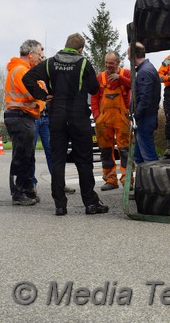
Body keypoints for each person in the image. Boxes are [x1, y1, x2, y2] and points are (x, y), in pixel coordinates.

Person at [23, 33, 108, 216]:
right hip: (79, 117)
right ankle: (90, 203)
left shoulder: (50, 62)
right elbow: (94, 88)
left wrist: (44, 95)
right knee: (84, 160)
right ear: (80, 49)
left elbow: (27, 79)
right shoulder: (84, 63)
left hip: (57, 117)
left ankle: (60, 205)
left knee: (58, 159)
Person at [3, 40, 44, 206]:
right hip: (20, 116)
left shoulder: (21, 69)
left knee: (27, 155)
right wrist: (42, 89)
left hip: (22, 116)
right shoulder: (21, 71)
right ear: (30, 54)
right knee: (22, 155)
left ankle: (26, 189)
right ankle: (19, 193)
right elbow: (34, 93)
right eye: (39, 55)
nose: (40, 59)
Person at [30, 65, 76, 195]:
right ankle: (32, 184)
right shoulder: (29, 76)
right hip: (34, 117)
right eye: (40, 57)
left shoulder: (45, 80)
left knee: (53, 152)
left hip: (46, 118)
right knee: (30, 152)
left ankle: (59, 183)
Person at [91, 51, 132, 191]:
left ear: (118, 63)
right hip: (103, 119)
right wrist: (96, 116)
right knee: (106, 150)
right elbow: (94, 98)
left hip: (122, 117)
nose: (108, 66)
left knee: (125, 150)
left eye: (111, 63)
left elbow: (135, 84)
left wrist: (120, 78)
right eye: (107, 63)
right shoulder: (100, 77)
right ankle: (110, 180)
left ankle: (127, 180)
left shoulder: (126, 73)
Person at [131, 42, 161, 165]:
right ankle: (141, 182)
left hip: (144, 119)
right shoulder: (148, 69)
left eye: (129, 54)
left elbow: (145, 99)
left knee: (149, 158)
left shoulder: (144, 72)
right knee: (138, 156)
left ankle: (154, 182)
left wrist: (135, 115)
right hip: (146, 117)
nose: (127, 58)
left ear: (134, 55)